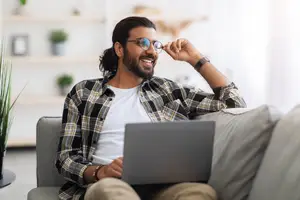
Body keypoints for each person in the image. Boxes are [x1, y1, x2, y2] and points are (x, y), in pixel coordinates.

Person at [55, 16, 246, 200]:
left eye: (155, 45)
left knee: (200, 193)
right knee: (111, 193)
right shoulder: (84, 92)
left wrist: (195, 58)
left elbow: (234, 103)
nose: (152, 52)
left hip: (165, 186)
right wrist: (99, 172)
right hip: (111, 184)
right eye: (142, 43)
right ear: (119, 49)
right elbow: (66, 158)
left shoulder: (169, 90)